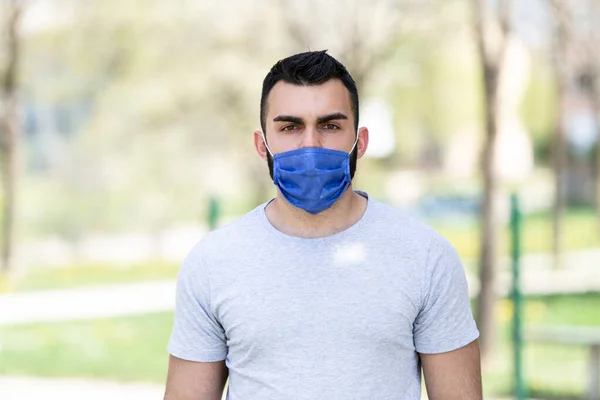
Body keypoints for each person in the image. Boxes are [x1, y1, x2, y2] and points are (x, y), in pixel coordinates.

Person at [164, 50, 482, 400]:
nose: (310, 145)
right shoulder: (213, 263)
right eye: (290, 127)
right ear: (261, 145)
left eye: (330, 126)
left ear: (359, 143)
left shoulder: (426, 257)